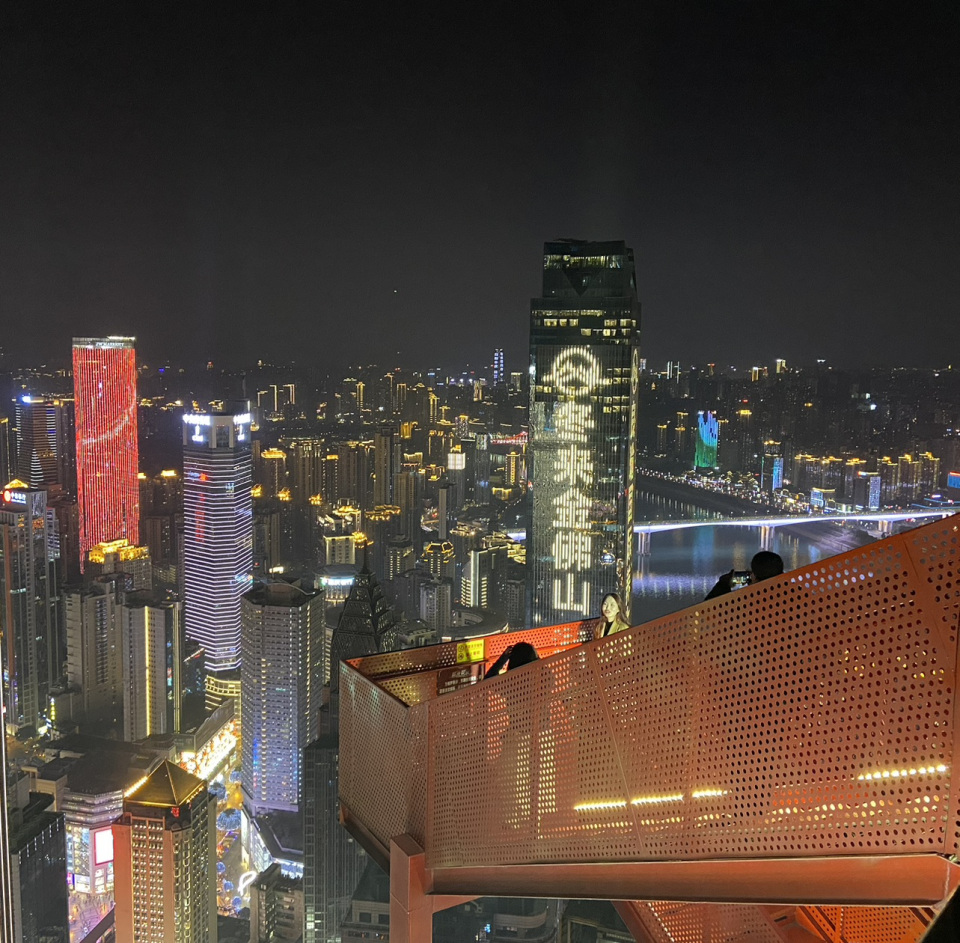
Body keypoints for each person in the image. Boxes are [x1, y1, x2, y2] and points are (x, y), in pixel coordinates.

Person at [705, 550, 784, 600]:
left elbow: (705, 612)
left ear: (755, 577)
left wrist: (723, 584)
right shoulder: (787, 598)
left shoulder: (745, 603)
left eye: (752, 572)